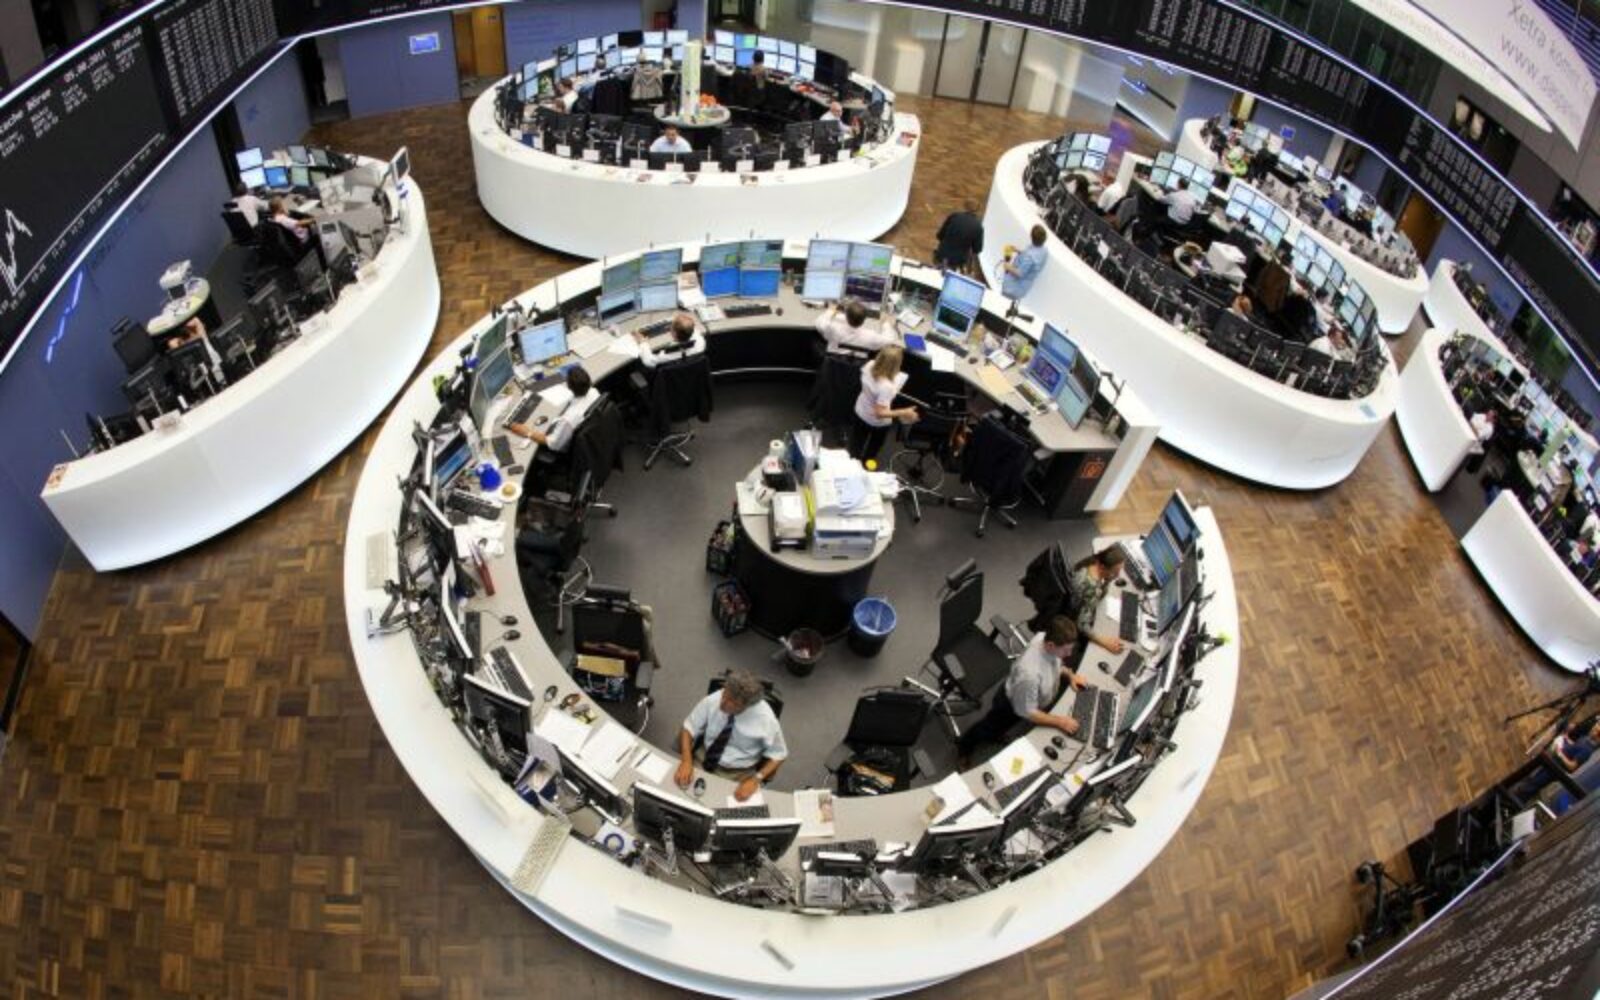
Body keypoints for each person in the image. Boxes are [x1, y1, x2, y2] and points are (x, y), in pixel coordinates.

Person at [956, 616, 1085, 763]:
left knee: (1001, 728)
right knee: (986, 728)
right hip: (1010, 706)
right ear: (1050, 645)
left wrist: (1070, 675)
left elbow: (1055, 665)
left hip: (1023, 695)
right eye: (1066, 650)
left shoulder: (1044, 638)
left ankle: (995, 735)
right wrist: (1060, 722)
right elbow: (1028, 712)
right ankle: (963, 747)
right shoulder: (1030, 675)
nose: (1069, 654)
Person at [675, 669, 787, 802]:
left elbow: (779, 755)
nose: (723, 703)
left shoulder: (766, 719)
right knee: (681, 796)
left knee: (723, 808)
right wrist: (686, 760)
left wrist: (756, 779)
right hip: (704, 758)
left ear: (747, 705)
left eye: (733, 703)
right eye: (725, 695)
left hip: (739, 773)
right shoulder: (716, 698)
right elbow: (689, 727)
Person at [849, 345, 917, 462]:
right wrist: (904, 412)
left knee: (856, 443)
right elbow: (880, 413)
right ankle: (867, 464)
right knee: (873, 447)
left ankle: (852, 462)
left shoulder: (869, 365)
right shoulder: (886, 387)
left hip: (860, 410)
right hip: (876, 422)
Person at [506, 366, 597, 453]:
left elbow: (554, 444)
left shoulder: (568, 419)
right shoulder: (594, 392)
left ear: (569, 386)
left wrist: (527, 432)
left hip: (567, 448)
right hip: (592, 438)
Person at [1065, 548, 1125, 654]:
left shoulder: (1091, 562)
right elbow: (1082, 624)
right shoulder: (1092, 588)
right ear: (1102, 567)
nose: (1118, 576)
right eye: (1115, 572)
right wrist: (1105, 642)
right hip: (1072, 619)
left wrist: (1108, 579)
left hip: (1071, 605)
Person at [815, 299, 897, 354]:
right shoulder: (870, 336)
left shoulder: (833, 328)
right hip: (856, 371)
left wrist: (831, 310)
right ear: (864, 320)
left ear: (846, 316)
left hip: (831, 366)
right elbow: (890, 340)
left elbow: (819, 322)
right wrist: (886, 323)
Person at [636, 311, 705, 367]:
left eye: (671, 327)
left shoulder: (666, 355)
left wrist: (643, 343)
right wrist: (679, 323)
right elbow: (691, 329)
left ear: (674, 334)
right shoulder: (701, 342)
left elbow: (648, 362)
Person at [1000, 224, 1049, 301]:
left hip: (1013, 288)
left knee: (1004, 302)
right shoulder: (1044, 250)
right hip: (1024, 286)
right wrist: (1018, 251)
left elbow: (1020, 273)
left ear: (1031, 237)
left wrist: (1007, 266)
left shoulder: (1029, 257)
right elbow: (1033, 259)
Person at [933, 202, 985, 272]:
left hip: (942, 254)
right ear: (977, 210)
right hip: (958, 261)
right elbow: (977, 249)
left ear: (965, 206)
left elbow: (940, 235)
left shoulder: (954, 216)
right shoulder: (978, 227)